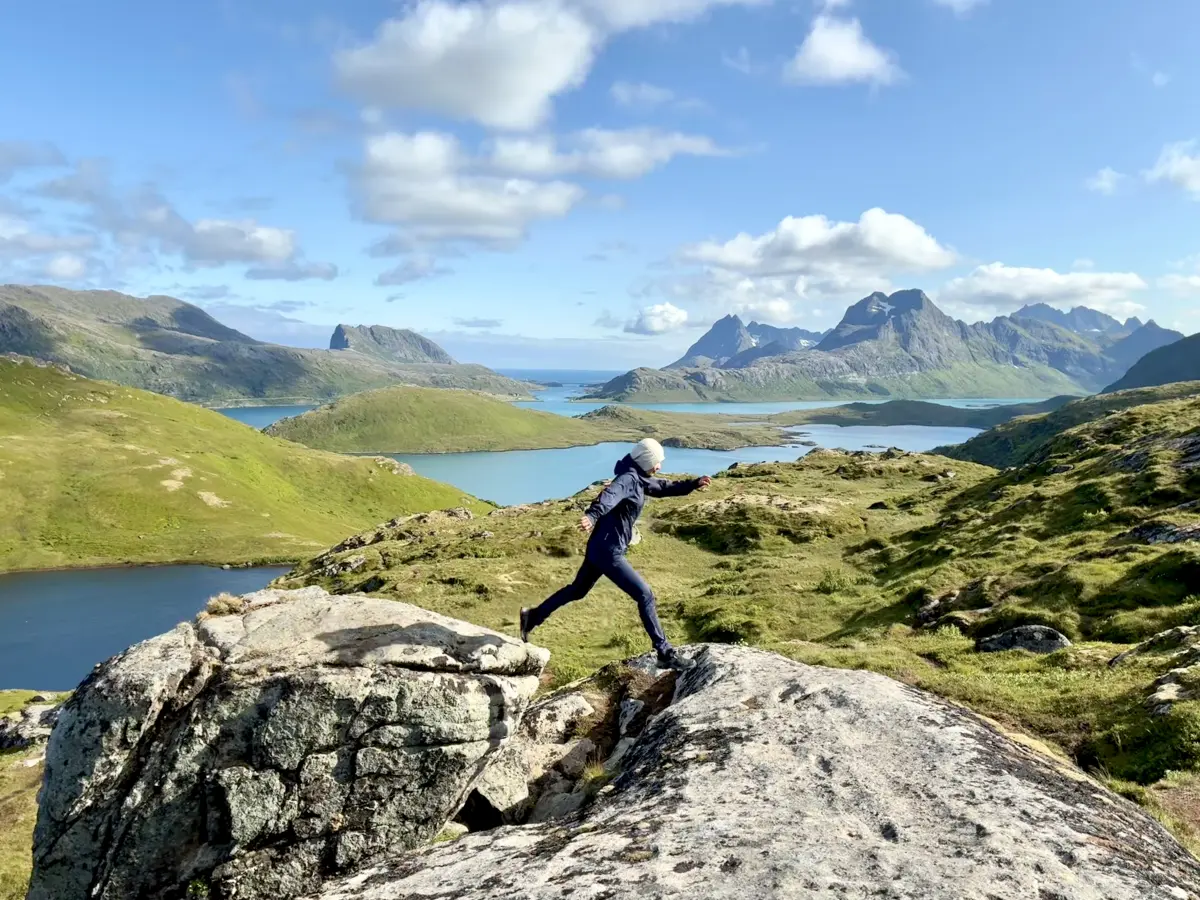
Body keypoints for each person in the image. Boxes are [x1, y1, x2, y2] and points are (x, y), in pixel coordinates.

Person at [520, 438, 712, 671]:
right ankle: (664, 653)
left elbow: (662, 487)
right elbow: (609, 496)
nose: (659, 466)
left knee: (577, 590)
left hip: (600, 547)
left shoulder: (638, 477)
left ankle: (532, 617)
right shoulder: (628, 479)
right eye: (657, 462)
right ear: (645, 461)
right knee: (645, 595)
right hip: (608, 551)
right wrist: (592, 515)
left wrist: (692, 484)